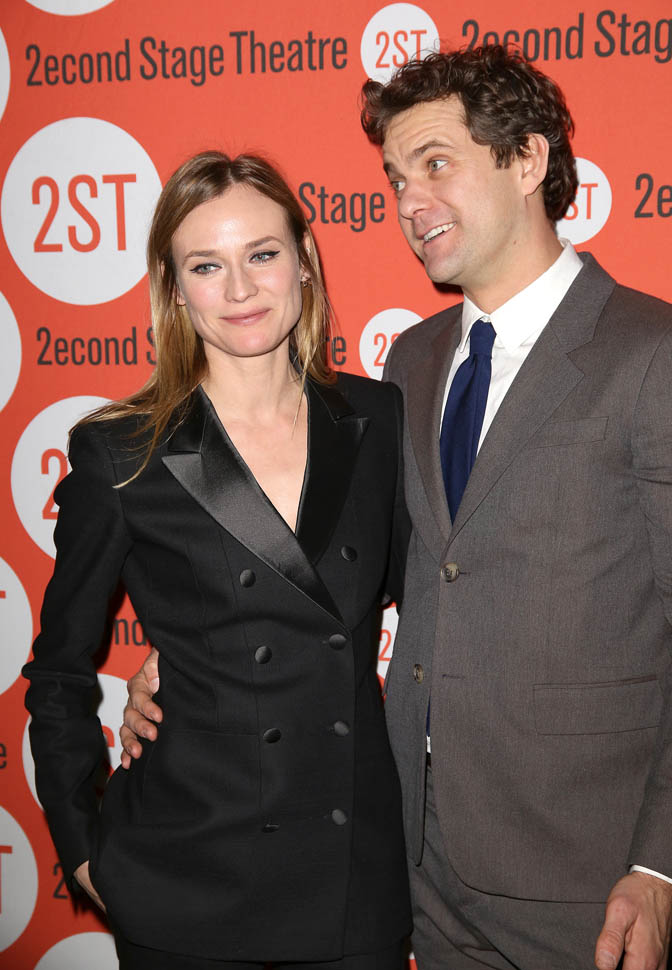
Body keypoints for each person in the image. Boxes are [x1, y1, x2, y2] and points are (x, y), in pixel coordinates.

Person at [121, 46, 672, 970]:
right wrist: (190, 654)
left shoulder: (650, 353)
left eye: (436, 164)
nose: (410, 201)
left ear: (528, 160)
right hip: (414, 866)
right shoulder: (411, 364)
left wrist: (658, 865)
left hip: (591, 876)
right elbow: (369, 574)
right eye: (395, 179)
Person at [23, 150, 411, 970]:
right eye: (206, 265)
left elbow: (430, 611)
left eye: (262, 254)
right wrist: (83, 848)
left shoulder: (377, 419)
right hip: (187, 876)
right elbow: (57, 674)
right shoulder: (123, 451)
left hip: (351, 878)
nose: (239, 290)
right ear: (174, 288)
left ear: (303, 261)